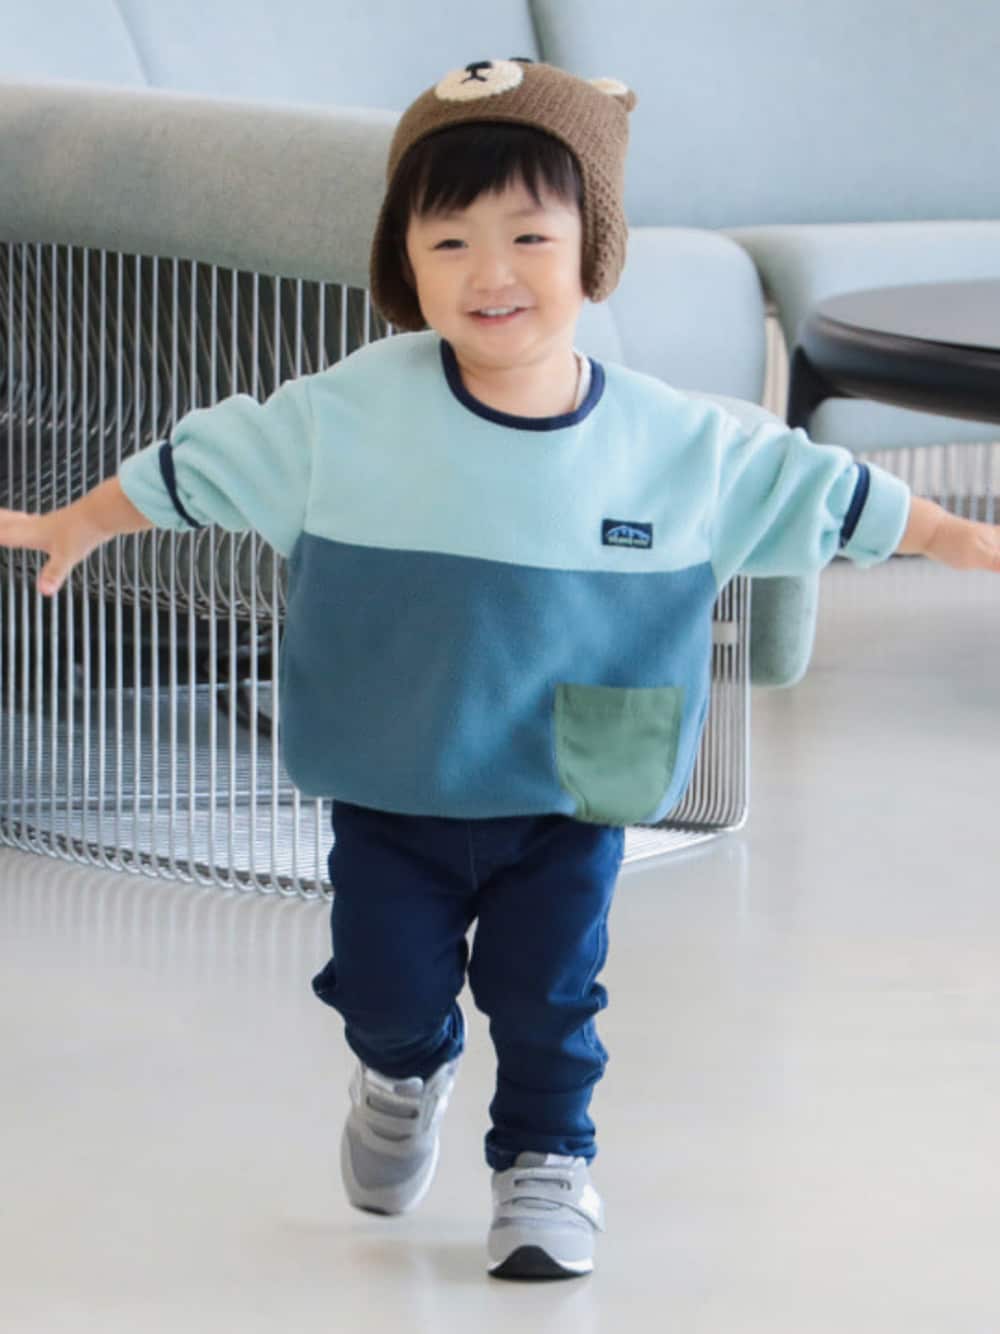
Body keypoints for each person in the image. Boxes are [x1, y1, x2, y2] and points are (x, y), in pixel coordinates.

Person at [1, 58, 999, 1281]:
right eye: (449, 240)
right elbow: (209, 459)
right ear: (405, 265)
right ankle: (400, 1071)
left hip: (563, 796)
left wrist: (949, 533)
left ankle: (545, 1163)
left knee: (548, 996)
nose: (491, 272)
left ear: (592, 254)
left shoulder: (670, 440)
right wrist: (82, 520)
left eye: (530, 235)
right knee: (386, 988)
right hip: (395, 782)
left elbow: (809, 485)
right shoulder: (345, 416)